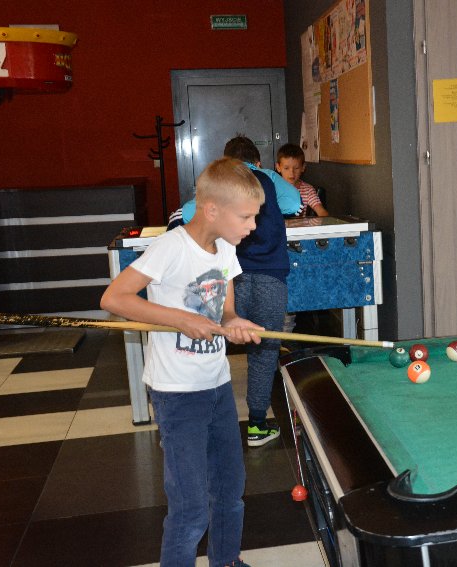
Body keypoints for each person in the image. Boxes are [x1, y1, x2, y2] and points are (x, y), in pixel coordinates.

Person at [100, 157, 265, 567]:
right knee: (190, 506)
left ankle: (226, 561)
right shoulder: (170, 247)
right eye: (246, 216)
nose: (253, 226)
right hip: (177, 393)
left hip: (217, 385)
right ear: (212, 210)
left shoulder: (226, 248)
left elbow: (225, 311)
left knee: (229, 490)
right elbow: (114, 298)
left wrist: (234, 322)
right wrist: (180, 319)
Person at [168, 136, 300, 447]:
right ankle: (257, 425)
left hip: (227, 275)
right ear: (258, 161)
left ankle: (197, 425)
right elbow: (295, 204)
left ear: (226, 160)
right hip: (270, 275)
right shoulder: (267, 177)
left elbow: (184, 215)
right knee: (264, 349)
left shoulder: (222, 182)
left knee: (209, 346)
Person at [275, 143, 329, 217]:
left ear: (303, 167)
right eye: (286, 168)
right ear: (278, 167)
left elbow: (321, 211)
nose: (291, 173)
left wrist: (327, 220)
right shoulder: (272, 188)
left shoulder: (308, 190)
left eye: (296, 168)